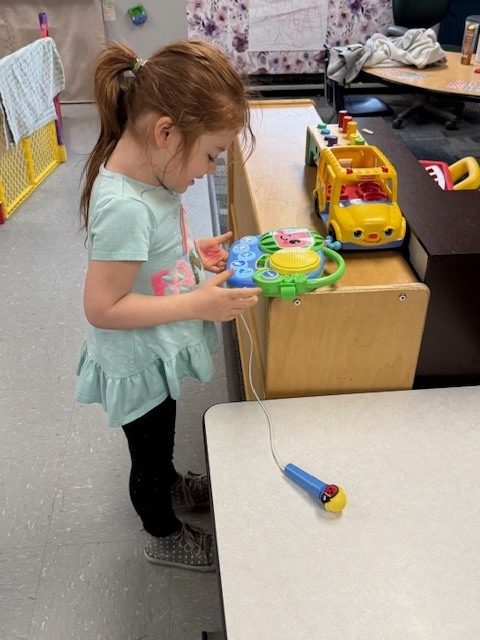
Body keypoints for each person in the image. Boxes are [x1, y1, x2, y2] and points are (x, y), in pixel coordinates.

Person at [75, 38, 261, 572]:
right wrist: (196, 304)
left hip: (151, 351)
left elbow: (148, 256)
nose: (208, 171)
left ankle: (173, 485)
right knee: (148, 456)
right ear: (165, 133)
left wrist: (190, 257)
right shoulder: (123, 205)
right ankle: (162, 531)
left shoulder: (152, 175)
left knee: (163, 434)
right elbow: (103, 306)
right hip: (134, 360)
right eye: (210, 155)